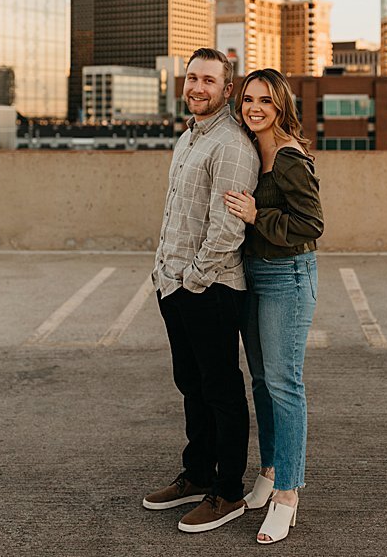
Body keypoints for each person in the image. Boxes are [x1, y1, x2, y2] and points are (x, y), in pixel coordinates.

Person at [141, 47, 259, 533]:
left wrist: (192, 279)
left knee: (221, 390)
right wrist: (164, 275)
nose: (198, 88)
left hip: (208, 287)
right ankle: (196, 474)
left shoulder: (231, 144)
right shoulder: (187, 138)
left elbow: (228, 228)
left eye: (209, 80)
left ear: (226, 89)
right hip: (173, 285)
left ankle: (228, 491)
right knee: (191, 384)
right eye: (192, 78)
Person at [222, 69, 323, 545]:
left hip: (288, 275)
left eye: (264, 99)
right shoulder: (250, 146)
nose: (254, 107)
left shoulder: (287, 156)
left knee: (285, 384)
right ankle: (269, 469)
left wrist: (258, 215)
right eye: (247, 99)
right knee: (262, 380)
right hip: (255, 272)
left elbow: (312, 222)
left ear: (280, 104)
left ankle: (288, 492)